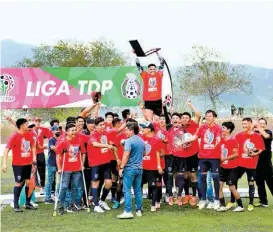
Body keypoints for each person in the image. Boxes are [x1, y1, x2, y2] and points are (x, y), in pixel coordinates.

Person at [183, 110, 222, 210]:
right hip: (203, 157)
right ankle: (203, 200)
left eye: (210, 116)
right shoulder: (202, 128)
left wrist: (217, 142)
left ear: (214, 117)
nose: (208, 118)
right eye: (206, 116)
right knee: (202, 179)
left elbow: (218, 139)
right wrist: (184, 141)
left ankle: (216, 200)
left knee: (215, 179)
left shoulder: (217, 128)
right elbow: (194, 137)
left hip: (214, 158)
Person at [2, 118, 37, 212]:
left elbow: (33, 146)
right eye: (26, 124)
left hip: (28, 164)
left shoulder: (29, 134)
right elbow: (6, 150)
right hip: (18, 165)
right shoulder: (14, 136)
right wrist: (4, 164)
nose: (28, 125)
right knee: (19, 183)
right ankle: (16, 205)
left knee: (29, 183)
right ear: (21, 125)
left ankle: (28, 203)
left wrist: (34, 157)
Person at [87, 117, 120, 213]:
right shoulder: (93, 134)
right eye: (100, 125)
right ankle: (96, 204)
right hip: (96, 163)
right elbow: (95, 144)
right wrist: (107, 146)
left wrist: (117, 158)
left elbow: (112, 146)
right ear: (96, 126)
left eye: (103, 124)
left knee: (109, 183)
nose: (102, 126)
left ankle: (102, 200)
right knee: (95, 183)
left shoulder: (106, 133)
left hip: (106, 162)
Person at [235, 117, 265, 212]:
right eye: (242, 124)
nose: (244, 125)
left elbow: (260, 149)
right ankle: (234, 201)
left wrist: (254, 153)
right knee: (233, 180)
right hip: (240, 163)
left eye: (245, 124)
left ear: (250, 124)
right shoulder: (239, 135)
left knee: (251, 183)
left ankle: (251, 203)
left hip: (251, 164)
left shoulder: (257, 136)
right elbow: (234, 146)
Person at [56, 123, 86, 215]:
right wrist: (59, 168)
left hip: (76, 168)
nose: (74, 132)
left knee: (74, 187)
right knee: (64, 187)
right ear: (67, 132)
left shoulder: (79, 140)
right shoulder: (63, 142)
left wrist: (82, 164)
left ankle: (71, 205)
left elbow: (83, 152)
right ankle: (61, 206)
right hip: (66, 169)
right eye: (72, 130)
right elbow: (58, 155)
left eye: (75, 130)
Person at [117, 122, 145, 219]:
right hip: (139, 168)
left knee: (127, 190)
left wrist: (121, 168)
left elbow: (126, 155)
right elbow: (144, 153)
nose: (125, 132)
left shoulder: (129, 141)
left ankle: (128, 211)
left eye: (126, 130)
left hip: (130, 169)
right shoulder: (141, 140)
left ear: (132, 131)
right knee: (137, 190)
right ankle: (139, 209)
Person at [218, 121, 244, 212]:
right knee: (219, 186)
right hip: (222, 167)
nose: (222, 129)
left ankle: (240, 206)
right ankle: (222, 205)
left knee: (232, 187)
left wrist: (225, 158)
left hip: (232, 168)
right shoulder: (220, 140)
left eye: (224, 128)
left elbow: (236, 154)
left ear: (229, 130)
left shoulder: (233, 140)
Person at [179, 100, 201, 206]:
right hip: (182, 155)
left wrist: (191, 105)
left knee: (193, 175)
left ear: (189, 119)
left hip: (193, 154)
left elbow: (198, 115)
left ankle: (194, 196)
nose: (184, 119)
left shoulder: (193, 125)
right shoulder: (178, 128)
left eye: (186, 117)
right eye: (182, 118)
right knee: (185, 175)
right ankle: (186, 195)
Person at [139, 122, 164, 211]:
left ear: (149, 129)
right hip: (142, 167)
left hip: (153, 167)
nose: (142, 129)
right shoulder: (140, 138)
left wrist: (159, 166)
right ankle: (139, 204)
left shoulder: (156, 140)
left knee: (154, 185)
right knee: (139, 185)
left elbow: (159, 153)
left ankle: (154, 203)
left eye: (144, 128)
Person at [136, 56, 165, 121]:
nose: (152, 70)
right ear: (148, 70)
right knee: (149, 119)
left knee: (158, 120)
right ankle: (151, 130)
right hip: (148, 100)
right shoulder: (145, 75)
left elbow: (162, 67)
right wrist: (137, 60)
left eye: (154, 69)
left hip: (158, 100)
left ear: (156, 69)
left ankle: (158, 131)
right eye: (151, 69)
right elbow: (140, 69)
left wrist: (161, 60)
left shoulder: (159, 75)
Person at [253, 118, 273, 207]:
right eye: (259, 123)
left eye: (263, 123)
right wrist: (253, 125)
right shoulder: (255, 133)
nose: (261, 124)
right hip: (256, 162)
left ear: (265, 125)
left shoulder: (268, 132)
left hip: (266, 162)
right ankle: (263, 201)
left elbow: (265, 136)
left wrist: (258, 126)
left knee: (270, 182)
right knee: (259, 182)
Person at [32, 117, 53, 195]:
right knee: (33, 170)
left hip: (40, 153)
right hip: (32, 154)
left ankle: (42, 187)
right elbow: (19, 128)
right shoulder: (29, 129)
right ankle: (34, 186)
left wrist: (50, 144)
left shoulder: (43, 129)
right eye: (36, 121)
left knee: (42, 170)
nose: (37, 122)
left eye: (39, 121)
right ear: (32, 122)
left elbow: (52, 135)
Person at [45, 125, 61, 204]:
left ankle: (57, 195)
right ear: (53, 131)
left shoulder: (61, 139)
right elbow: (52, 148)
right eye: (56, 130)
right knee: (50, 181)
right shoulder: (51, 139)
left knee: (59, 181)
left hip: (59, 163)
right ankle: (47, 198)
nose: (58, 131)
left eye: (59, 129)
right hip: (51, 163)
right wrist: (61, 147)